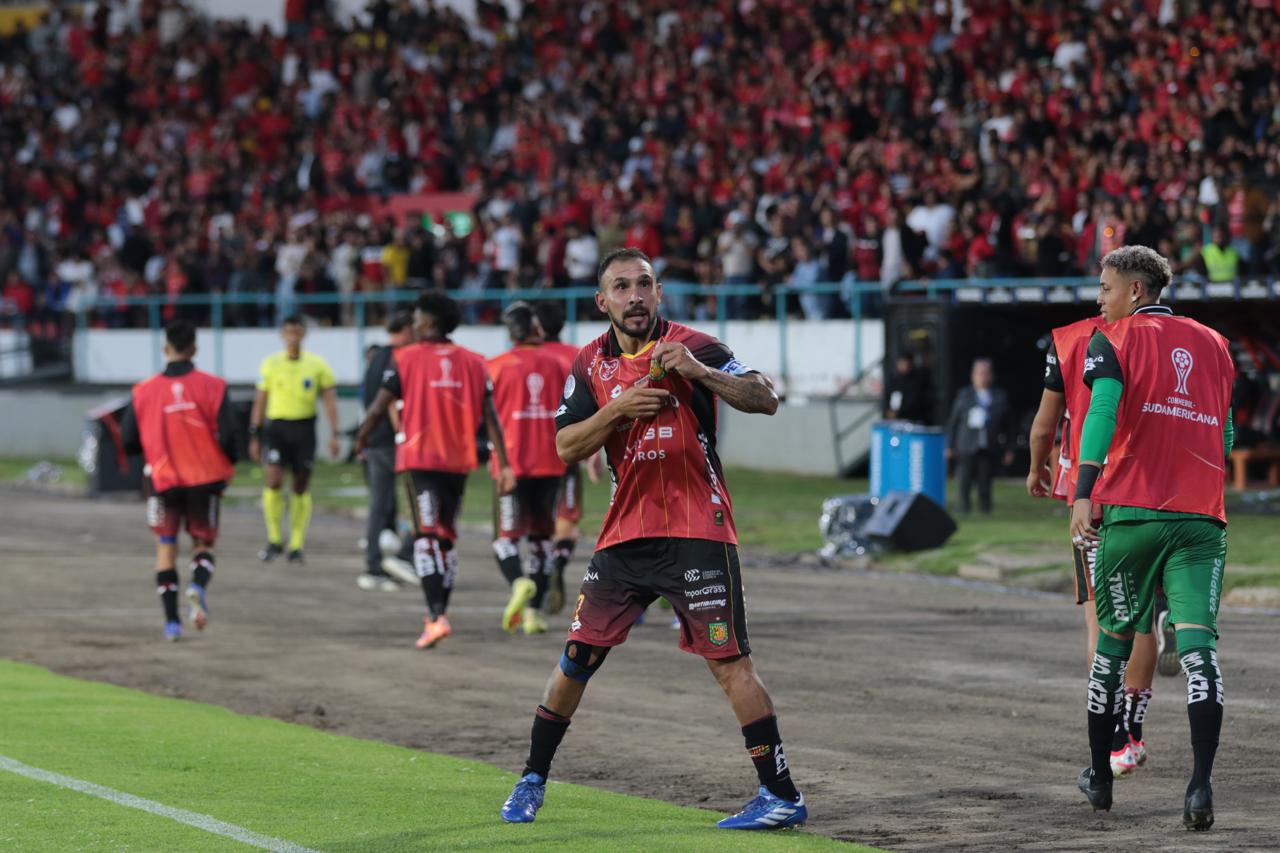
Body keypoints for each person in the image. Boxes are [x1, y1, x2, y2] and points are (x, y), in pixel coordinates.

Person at [500, 248, 807, 831]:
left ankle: (781, 795)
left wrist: (699, 372)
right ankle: (531, 780)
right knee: (576, 658)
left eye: (644, 285)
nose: (634, 296)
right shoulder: (589, 363)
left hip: (699, 530)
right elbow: (566, 447)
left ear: (659, 293)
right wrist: (618, 408)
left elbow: (765, 397)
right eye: (621, 287)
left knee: (731, 664)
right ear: (603, 301)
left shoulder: (695, 345)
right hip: (625, 536)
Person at [1069, 246, 1234, 831]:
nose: (1100, 298)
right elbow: (1227, 433)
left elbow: (1101, 413)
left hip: (1132, 514)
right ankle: (1200, 786)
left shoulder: (1111, 339)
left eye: (1106, 288)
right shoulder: (1216, 345)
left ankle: (1099, 775)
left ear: (1136, 291)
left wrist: (1085, 490)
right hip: (1200, 519)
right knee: (1200, 654)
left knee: (1109, 650)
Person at [1027, 309, 1164, 780]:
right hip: (1153, 492)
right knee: (1143, 615)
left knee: (1101, 621)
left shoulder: (1067, 341)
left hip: (1091, 492)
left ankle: (1117, 737)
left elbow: (1046, 425)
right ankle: (1135, 728)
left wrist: (1036, 466)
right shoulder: (1165, 338)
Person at [353, 292, 516, 649]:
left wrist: (361, 438)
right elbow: (491, 418)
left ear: (428, 322)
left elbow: (380, 405)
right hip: (457, 463)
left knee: (426, 536)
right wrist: (504, 463)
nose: (412, 323)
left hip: (419, 460)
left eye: (417, 317)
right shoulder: (475, 362)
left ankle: (435, 617)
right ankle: (440, 612)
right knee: (444, 537)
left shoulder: (405, 358)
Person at [120, 320, 237, 641]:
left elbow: (129, 441)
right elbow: (229, 435)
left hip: (163, 478)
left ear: (165, 348)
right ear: (195, 349)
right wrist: (228, 463)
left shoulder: (143, 391)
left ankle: (172, 623)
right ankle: (198, 586)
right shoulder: (214, 386)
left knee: (166, 547)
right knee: (203, 544)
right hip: (205, 476)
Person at [485, 302, 569, 635]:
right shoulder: (560, 364)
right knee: (541, 539)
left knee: (505, 538)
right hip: (550, 462)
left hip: (511, 464)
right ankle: (534, 614)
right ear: (536, 329)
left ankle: (519, 583)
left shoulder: (494, 367)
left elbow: (484, 417)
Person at [249, 315, 341, 565]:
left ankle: (297, 544)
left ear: (303, 334)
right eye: (288, 331)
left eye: (297, 331)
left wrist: (335, 433)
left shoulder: (317, 364)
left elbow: (330, 399)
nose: (292, 336)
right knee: (274, 479)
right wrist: (254, 434)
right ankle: (274, 538)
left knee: (301, 484)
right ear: (282, 334)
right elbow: (260, 400)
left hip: (304, 429)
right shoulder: (270, 364)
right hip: (277, 427)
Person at [533, 300, 601, 614]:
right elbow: (596, 405)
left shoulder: (525, 357)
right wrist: (593, 452)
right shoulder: (578, 356)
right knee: (567, 521)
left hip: (531, 455)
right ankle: (558, 565)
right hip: (570, 452)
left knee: (537, 525)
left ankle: (539, 581)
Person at [357, 312, 414, 592]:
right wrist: (403, 434)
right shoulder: (400, 357)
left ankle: (373, 566)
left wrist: (363, 436)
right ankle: (406, 556)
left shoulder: (376, 357)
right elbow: (392, 402)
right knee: (419, 499)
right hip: (394, 440)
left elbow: (369, 399)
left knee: (380, 504)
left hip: (377, 440)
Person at [945, 358, 1014, 513]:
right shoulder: (964, 395)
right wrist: (949, 445)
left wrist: (1009, 448)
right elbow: (953, 422)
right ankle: (963, 509)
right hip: (967, 445)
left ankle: (985, 509)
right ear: (973, 375)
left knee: (985, 481)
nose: (982, 376)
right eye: (979, 373)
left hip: (988, 445)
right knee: (964, 480)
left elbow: (1008, 424)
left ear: (991, 375)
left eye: (985, 373)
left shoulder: (999, 396)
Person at [884, 354, 933, 424]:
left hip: (913, 419)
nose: (901, 365)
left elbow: (913, 400)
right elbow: (888, 396)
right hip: (896, 421)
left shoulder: (916, 380)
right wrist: (889, 411)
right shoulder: (894, 380)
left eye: (904, 363)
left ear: (910, 364)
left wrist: (899, 412)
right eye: (900, 363)